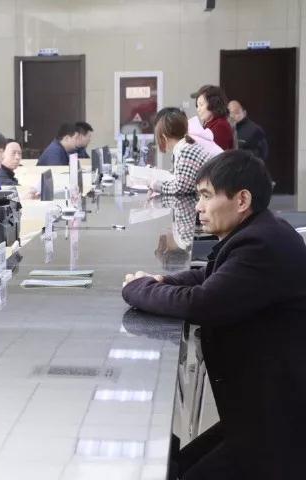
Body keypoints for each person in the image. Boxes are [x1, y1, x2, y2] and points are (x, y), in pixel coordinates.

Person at [122, 150, 306, 480]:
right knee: (178, 464)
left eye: (206, 196)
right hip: (258, 413)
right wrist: (161, 281)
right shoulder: (260, 231)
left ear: (242, 200)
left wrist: (138, 289)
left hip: (280, 425)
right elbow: (211, 275)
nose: (198, 207)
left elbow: (202, 303)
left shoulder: (260, 244)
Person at [150, 108, 210, 196]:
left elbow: (180, 188)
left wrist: (155, 185)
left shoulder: (185, 151)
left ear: (164, 138)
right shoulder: (186, 147)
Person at [194, 85, 233, 150]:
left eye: (201, 105)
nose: (198, 109)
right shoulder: (208, 123)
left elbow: (217, 153)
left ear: (213, 104)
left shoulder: (221, 126)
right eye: (197, 106)